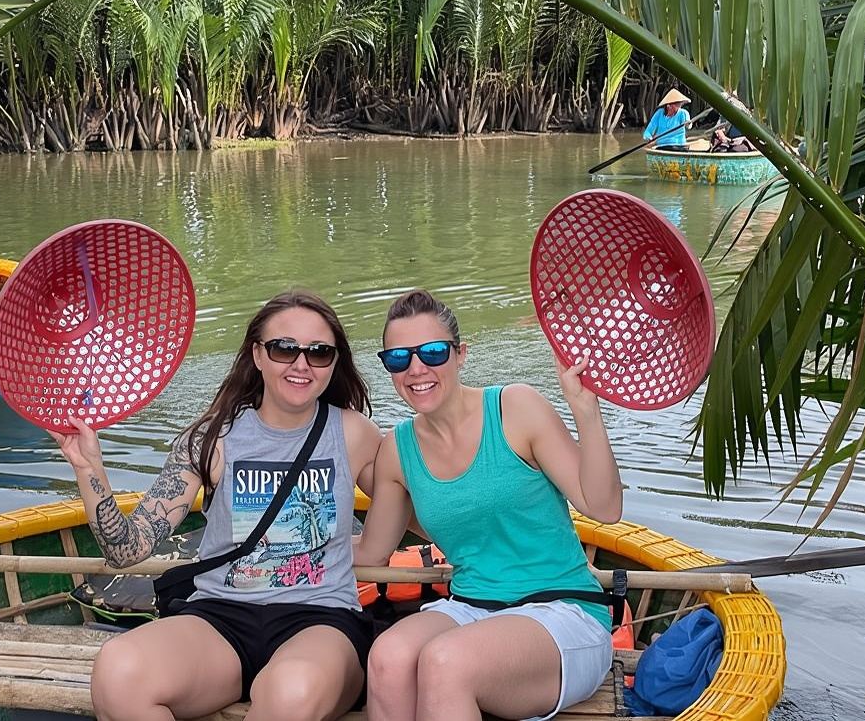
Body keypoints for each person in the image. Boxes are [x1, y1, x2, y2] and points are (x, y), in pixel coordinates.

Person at [49, 291, 382, 721]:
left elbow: (417, 503)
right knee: (117, 671)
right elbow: (126, 551)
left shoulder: (355, 434)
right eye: (284, 348)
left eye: (319, 353)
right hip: (220, 619)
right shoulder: (212, 438)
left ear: (334, 362)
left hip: (320, 619)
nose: (301, 364)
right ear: (257, 355)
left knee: (289, 691)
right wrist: (89, 468)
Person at [355, 289, 623, 721]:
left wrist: (584, 407)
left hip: (563, 610)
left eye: (433, 352)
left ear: (460, 355)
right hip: (470, 607)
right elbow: (369, 553)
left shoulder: (515, 408)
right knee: (387, 656)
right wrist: (287, 552)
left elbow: (604, 506)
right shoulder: (396, 450)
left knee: (445, 661)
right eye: (399, 358)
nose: (417, 369)